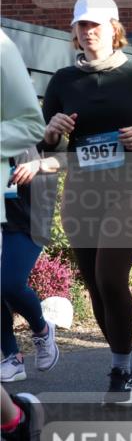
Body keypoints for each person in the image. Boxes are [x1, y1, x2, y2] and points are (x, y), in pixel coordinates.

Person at [40, 0, 132, 404]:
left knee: (110, 277)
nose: (88, 33)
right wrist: (52, 132)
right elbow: (48, 146)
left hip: (130, 187)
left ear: (114, 28)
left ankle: (120, 370)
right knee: (96, 288)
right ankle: (129, 365)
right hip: (84, 190)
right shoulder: (64, 81)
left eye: (95, 25)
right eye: (81, 26)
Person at [1, 28, 48, 441]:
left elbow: (33, 127)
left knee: (8, 282)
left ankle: (14, 419)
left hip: (19, 220)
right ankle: (14, 417)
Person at [2, 148, 59, 383]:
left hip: (26, 222)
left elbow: (60, 160)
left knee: (9, 284)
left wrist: (35, 167)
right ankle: (12, 358)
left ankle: (42, 330)